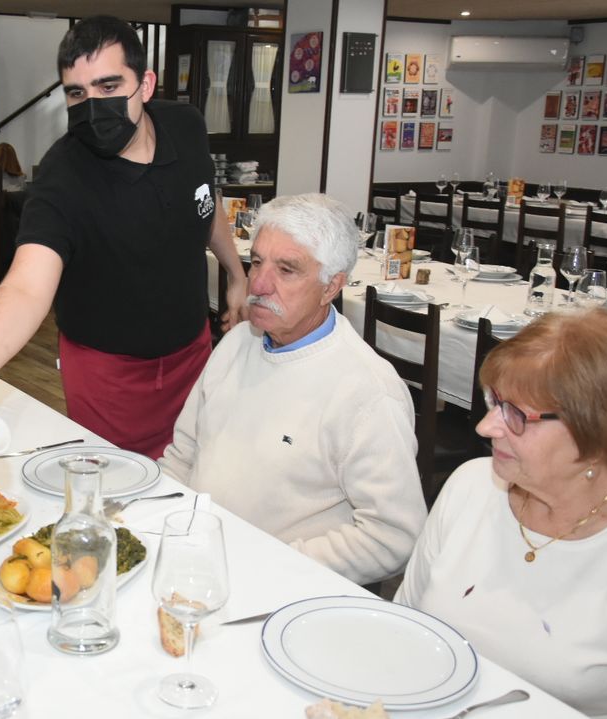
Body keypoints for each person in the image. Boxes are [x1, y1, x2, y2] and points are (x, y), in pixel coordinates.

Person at [0, 16, 249, 459]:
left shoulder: (186, 126)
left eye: (109, 86)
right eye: (78, 93)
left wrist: (235, 274)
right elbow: (25, 286)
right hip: (109, 374)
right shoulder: (64, 176)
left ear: (146, 84)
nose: (93, 106)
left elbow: (204, 202)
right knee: (120, 492)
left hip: (192, 353)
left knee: (195, 477)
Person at [396, 309, 607, 718]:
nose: (485, 427)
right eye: (493, 401)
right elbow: (403, 631)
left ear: (599, 431)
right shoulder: (471, 486)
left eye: (516, 414)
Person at [159, 193, 425, 585]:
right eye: (257, 262)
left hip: (282, 589)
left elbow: (393, 537)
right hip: (196, 561)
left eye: (287, 270)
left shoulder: (367, 392)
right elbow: (182, 456)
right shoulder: (238, 342)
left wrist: (267, 563)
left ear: (331, 286)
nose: (259, 283)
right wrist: (163, 527)